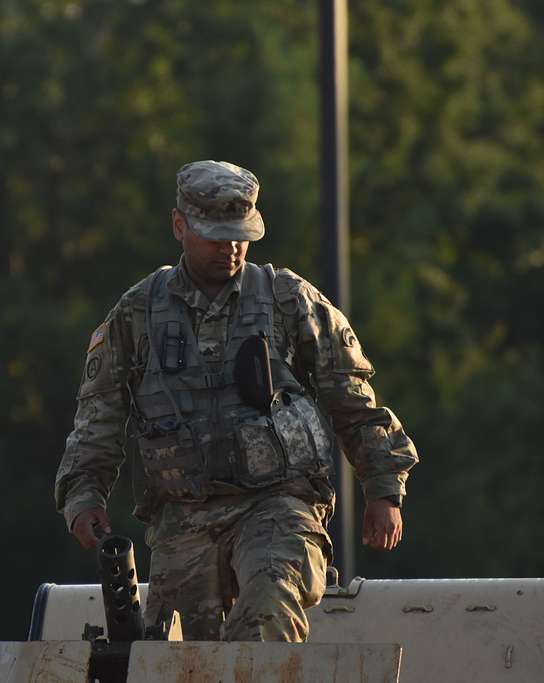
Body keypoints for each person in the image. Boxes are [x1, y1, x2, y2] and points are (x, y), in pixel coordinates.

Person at [54, 160, 418, 642]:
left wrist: (383, 487)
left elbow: (351, 397)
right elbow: (97, 418)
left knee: (269, 608)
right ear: (179, 225)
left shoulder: (289, 299)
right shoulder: (137, 313)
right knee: (179, 658)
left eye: (241, 234)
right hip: (184, 517)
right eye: (215, 234)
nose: (231, 247)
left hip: (278, 503)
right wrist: (83, 497)